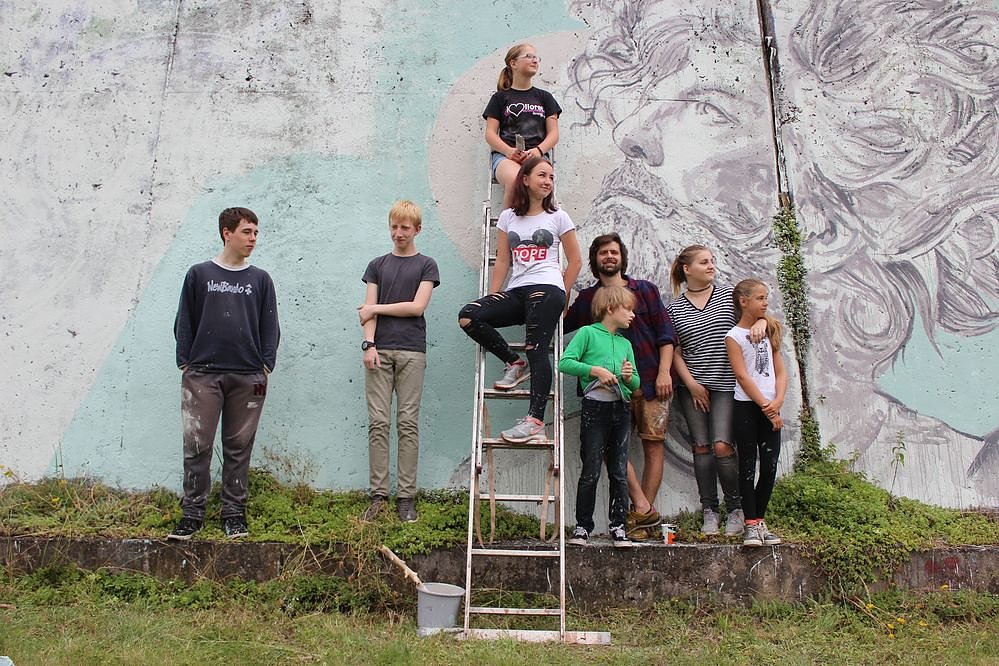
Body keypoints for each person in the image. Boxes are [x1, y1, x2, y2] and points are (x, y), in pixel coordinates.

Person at [169, 207, 280, 540]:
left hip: (248, 377)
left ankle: (233, 514)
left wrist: (265, 365)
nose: (253, 239)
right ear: (226, 233)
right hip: (202, 375)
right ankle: (192, 515)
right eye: (247, 232)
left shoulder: (260, 279)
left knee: (238, 447)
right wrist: (186, 363)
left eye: (256, 233)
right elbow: (184, 321)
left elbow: (270, 326)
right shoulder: (199, 274)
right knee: (197, 445)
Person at [458, 156, 583, 442]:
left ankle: (534, 420)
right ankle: (514, 363)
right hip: (518, 290)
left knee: (536, 349)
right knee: (469, 315)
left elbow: (575, 261)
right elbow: (503, 259)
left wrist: (562, 294)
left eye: (551, 177)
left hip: (547, 288)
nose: (547, 182)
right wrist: (493, 296)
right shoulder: (508, 217)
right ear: (525, 179)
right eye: (542, 175)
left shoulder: (558, 217)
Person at [564, 233, 677, 540]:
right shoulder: (589, 299)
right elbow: (563, 322)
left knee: (653, 445)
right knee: (610, 451)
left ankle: (640, 519)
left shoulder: (645, 290)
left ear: (622, 257)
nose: (609, 257)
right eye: (603, 253)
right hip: (605, 394)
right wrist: (561, 284)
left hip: (651, 381)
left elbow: (666, 334)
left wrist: (664, 372)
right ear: (595, 259)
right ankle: (641, 506)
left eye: (614, 252)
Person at [668, 245, 765, 537]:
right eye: (704, 262)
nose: (711, 266)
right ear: (687, 269)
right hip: (692, 387)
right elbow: (674, 351)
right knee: (701, 446)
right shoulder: (674, 308)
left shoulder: (727, 297)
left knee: (722, 445)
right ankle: (709, 510)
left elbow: (755, 315)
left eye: (712, 261)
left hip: (727, 385)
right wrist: (692, 385)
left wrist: (761, 322)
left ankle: (735, 509)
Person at [358, 200, 440, 523]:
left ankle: (406, 498)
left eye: (405, 227)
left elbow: (417, 307)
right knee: (378, 423)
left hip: (412, 352)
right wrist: (369, 344)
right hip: (379, 351)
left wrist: (375, 309)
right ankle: (378, 497)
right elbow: (367, 312)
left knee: (407, 423)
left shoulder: (427, 265)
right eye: (394, 226)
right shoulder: (377, 265)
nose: (398, 233)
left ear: (417, 229)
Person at [560, 285, 640, 548]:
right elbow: (565, 362)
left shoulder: (625, 343)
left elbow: (635, 383)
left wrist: (627, 377)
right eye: (628, 309)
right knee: (591, 469)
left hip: (620, 409)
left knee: (619, 471)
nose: (632, 315)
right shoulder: (587, 333)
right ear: (610, 308)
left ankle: (619, 526)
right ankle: (583, 527)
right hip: (594, 409)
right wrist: (595, 370)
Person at [726, 279, 787, 547]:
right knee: (748, 465)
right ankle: (750, 524)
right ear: (744, 302)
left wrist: (778, 400)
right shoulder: (734, 337)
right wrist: (766, 407)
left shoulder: (769, 329)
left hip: (772, 406)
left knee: (770, 465)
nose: (765, 303)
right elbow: (742, 376)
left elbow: (780, 371)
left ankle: (761, 520)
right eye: (760, 298)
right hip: (747, 408)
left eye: (766, 298)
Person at [483, 43, 562, 211]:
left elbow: (554, 134)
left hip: (537, 156)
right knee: (515, 180)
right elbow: (490, 134)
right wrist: (508, 151)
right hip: (506, 157)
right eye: (529, 56)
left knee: (539, 183)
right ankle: (508, 227)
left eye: (536, 57)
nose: (535, 60)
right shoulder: (499, 98)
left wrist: (538, 151)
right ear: (513, 63)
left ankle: (537, 226)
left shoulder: (545, 97)